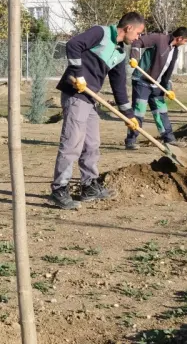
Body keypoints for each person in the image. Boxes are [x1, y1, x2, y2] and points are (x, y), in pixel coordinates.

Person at [49, 12, 146, 210]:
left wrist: (129, 116)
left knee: (92, 144)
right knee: (72, 143)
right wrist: (78, 74)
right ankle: (59, 189)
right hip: (75, 94)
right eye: (138, 33)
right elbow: (73, 45)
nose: (138, 38)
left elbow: (119, 88)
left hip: (90, 98)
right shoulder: (101, 33)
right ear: (128, 28)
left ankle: (89, 186)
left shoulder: (120, 53)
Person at [125, 26, 187, 150]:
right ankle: (131, 141)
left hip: (156, 84)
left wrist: (168, 88)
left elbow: (168, 72)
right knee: (139, 111)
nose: (185, 43)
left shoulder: (175, 51)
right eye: (185, 40)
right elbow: (138, 42)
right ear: (179, 38)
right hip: (142, 81)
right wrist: (134, 57)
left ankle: (169, 139)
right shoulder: (159, 39)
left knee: (161, 111)